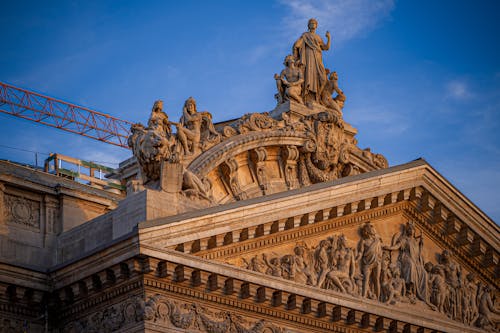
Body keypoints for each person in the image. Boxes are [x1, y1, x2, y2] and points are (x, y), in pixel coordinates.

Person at [293, 18, 331, 104]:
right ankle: (308, 96)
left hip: (317, 57)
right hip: (308, 56)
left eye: (314, 23)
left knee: (322, 78)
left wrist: (329, 38)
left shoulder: (318, 37)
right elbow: (296, 45)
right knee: (309, 74)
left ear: (316, 26)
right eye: (311, 23)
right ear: (308, 25)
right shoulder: (305, 35)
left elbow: (326, 47)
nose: (313, 24)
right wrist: (295, 58)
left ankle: (318, 96)